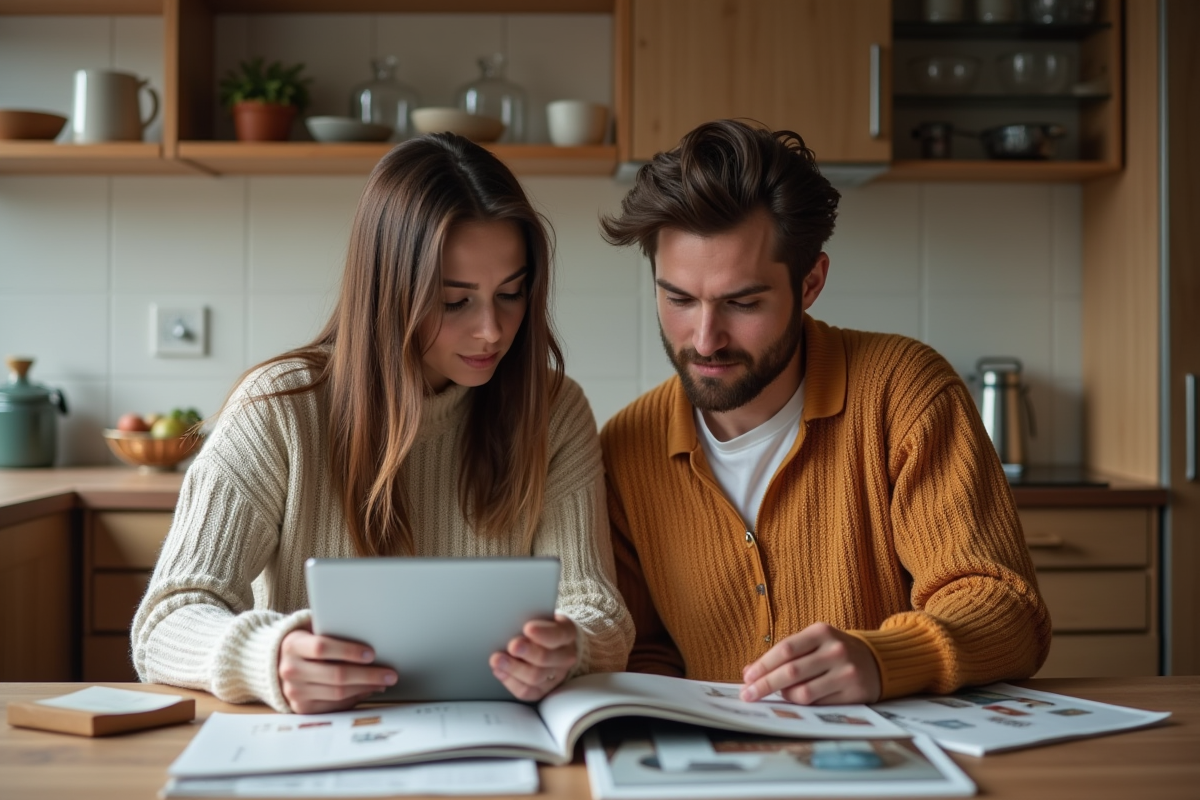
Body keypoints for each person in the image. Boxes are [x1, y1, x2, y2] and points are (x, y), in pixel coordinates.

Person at [132, 133, 633, 714]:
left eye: (512, 294)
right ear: (388, 291)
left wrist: (569, 646)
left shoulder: (553, 409)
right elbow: (166, 620)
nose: (493, 330)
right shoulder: (278, 409)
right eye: (455, 301)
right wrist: (267, 655)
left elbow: (599, 610)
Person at [598, 119, 1050, 706]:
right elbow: (646, 646)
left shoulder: (905, 392)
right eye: (678, 299)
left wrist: (884, 659)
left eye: (743, 302)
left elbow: (1005, 609)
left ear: (810, 282)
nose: (705, 339)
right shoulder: (627, 448)